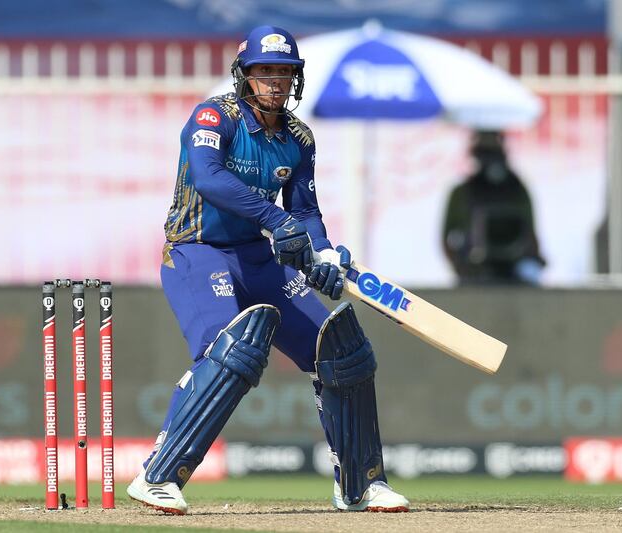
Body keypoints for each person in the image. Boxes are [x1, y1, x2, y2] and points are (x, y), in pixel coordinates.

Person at [126, 25, 409, 515]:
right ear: (245, 76)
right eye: (265, 71)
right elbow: (209, 178)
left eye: (285, 71)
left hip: (258, 258)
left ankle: (361, 483)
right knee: (230, 350)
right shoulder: (215, 116)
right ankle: (159, 475)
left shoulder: (298, 139)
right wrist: (277, 222)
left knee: (342, 352)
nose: (276, 81)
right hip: (196, 250)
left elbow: (304, 211)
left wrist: (319, 254)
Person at [443, 130, 545, 285]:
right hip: (476, 270)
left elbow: (530, 232)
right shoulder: (463, 193)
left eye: (493, 148)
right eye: (486, 149)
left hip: (515, 270)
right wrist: (462, 267)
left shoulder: (516, 189)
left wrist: (531, 259)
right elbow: (446, 238)